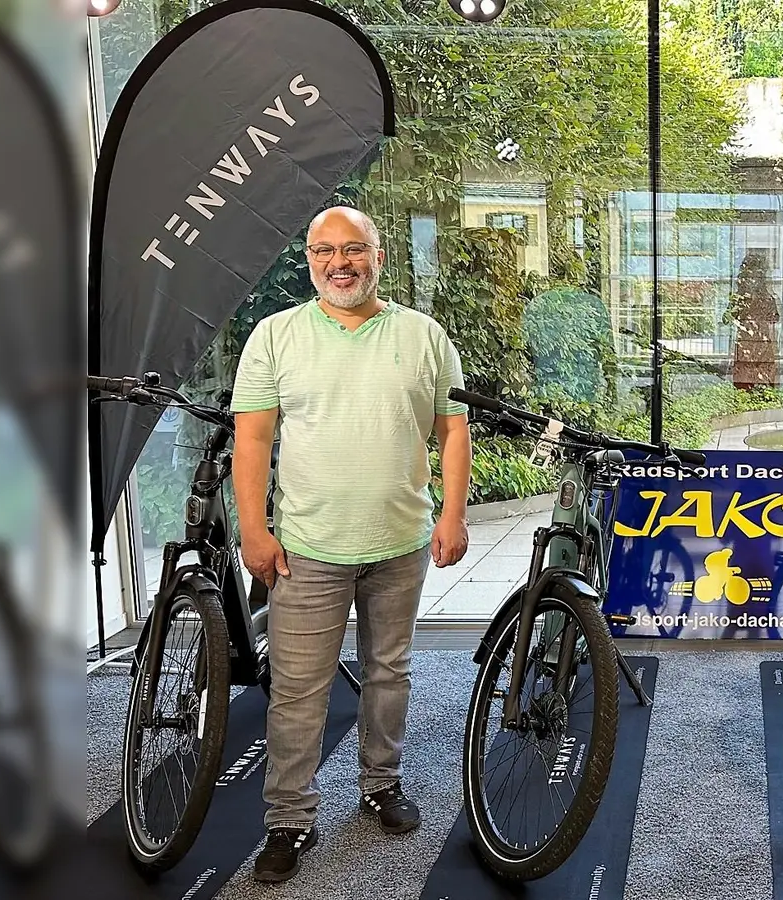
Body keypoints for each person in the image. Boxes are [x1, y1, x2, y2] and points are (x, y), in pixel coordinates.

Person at [232, 206, 473, 884]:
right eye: (323, 250)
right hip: (306, 547)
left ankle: (379, 784)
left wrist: (452, 515)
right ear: (308, 259)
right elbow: (252, 439)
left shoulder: (424, 335)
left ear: (379, 256)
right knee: (299, 692)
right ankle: (290, 820)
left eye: (353, 249)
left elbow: (453, 430)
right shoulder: (275, 336)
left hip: (399, 542)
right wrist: (253, 528)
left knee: (388, 674)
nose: (340, 262)